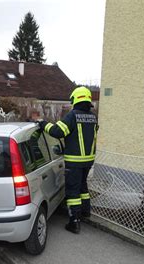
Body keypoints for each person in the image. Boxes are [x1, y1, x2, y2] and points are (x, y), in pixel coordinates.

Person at [38, 87, 98, 234]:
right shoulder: (93, 117)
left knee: (72, 191)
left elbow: (57, 131)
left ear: (75, 99)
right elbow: (83, 137)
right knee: (83, 187)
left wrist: (42, 124)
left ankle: (74, 223)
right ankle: (85, 213)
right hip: (88, 161)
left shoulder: (73, 115)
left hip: (74, 162)